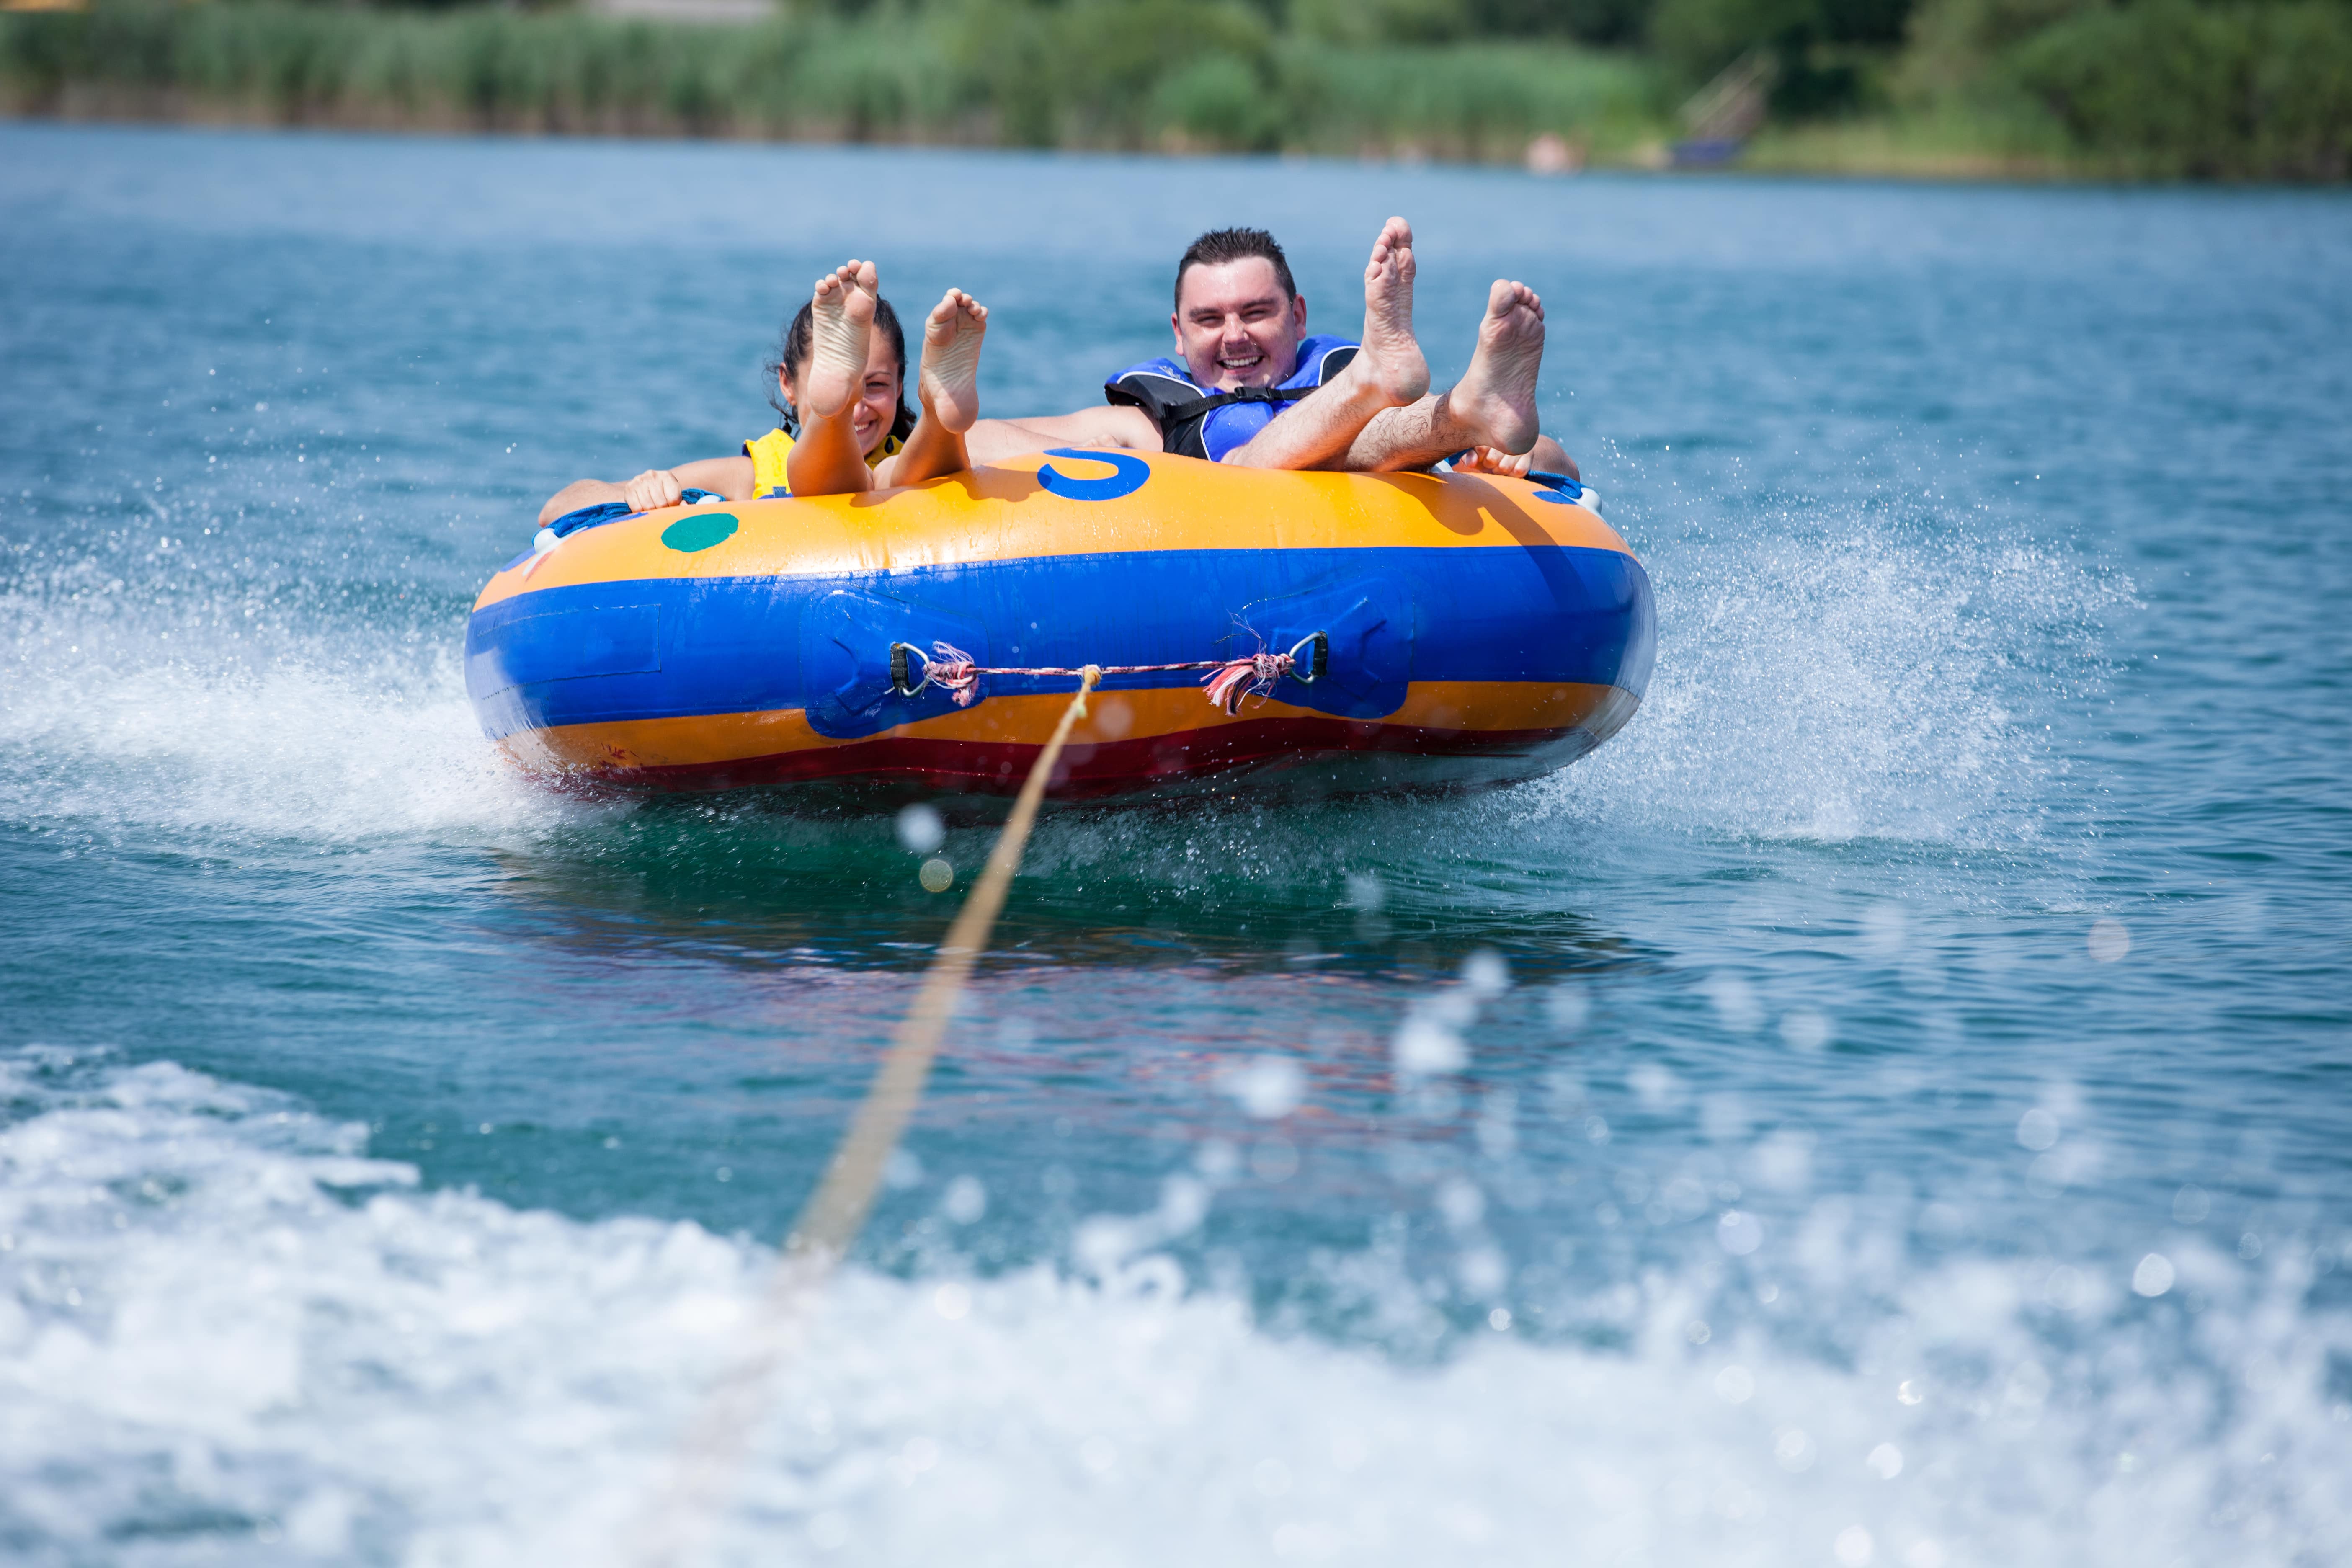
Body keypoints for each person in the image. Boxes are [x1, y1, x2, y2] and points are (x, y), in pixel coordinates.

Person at [963, 220, 1576, 479]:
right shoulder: (1153, 425)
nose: (1235, 336)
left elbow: (1556, 463)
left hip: (1393, 481)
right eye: (1210, 319)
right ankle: (1448, 405)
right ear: (1178, 334)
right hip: (1233, 509)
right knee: (1263, 465)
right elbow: (978, 439)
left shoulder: (1334, 376)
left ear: (1299, 315)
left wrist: (1508, 461)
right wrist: (1089, 460)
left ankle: (1469, 409)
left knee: (1395, 430)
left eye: (1256, 313)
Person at [536, 260, 989, 527]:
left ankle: (940, 416)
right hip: (813, 496)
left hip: (901, 482)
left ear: (900, 388)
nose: (861, 405)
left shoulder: (901, 460)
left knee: (893, 478)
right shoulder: (747, 476)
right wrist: (646, 487)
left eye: (875, 386)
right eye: (849, 386)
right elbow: (560, 507)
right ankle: (837, 422)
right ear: (788, 385)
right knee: (873, 480)